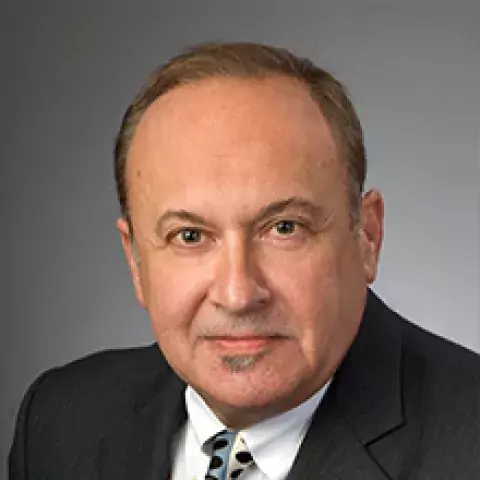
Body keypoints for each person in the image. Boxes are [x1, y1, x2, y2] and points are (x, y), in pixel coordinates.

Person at [9, 41, 480, 480]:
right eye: (189, 235)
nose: (238, 295)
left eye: (284, 228)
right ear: (135, 261)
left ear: (367, 238)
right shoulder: (60, 423)